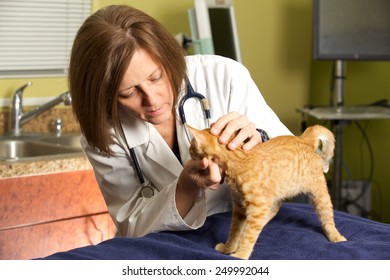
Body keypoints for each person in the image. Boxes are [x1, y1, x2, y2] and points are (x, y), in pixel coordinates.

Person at [69, 5, 292, 237]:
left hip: (243, 233)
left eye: (156, 77)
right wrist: (187, 185)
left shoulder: (223, 76)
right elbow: (132, 225)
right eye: (128, 93)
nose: (152, 100)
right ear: (104, 95)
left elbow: (300, 166)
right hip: (167, 246)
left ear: (168, 58)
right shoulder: (104, 129)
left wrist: (262, 142)